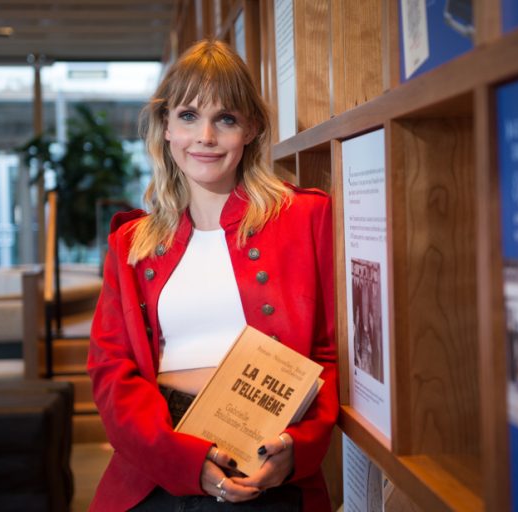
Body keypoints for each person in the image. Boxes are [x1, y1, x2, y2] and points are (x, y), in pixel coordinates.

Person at [88, 39, 338, 511]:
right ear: (165, 127)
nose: (205, 136)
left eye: (225, 119)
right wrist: (182, 460)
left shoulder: (307, 217)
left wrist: (297, 449)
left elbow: (328, 354)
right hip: (155, 471)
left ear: (252, 128)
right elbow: (110, 371)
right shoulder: (130, 244)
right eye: (187, 116)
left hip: (266, 474)